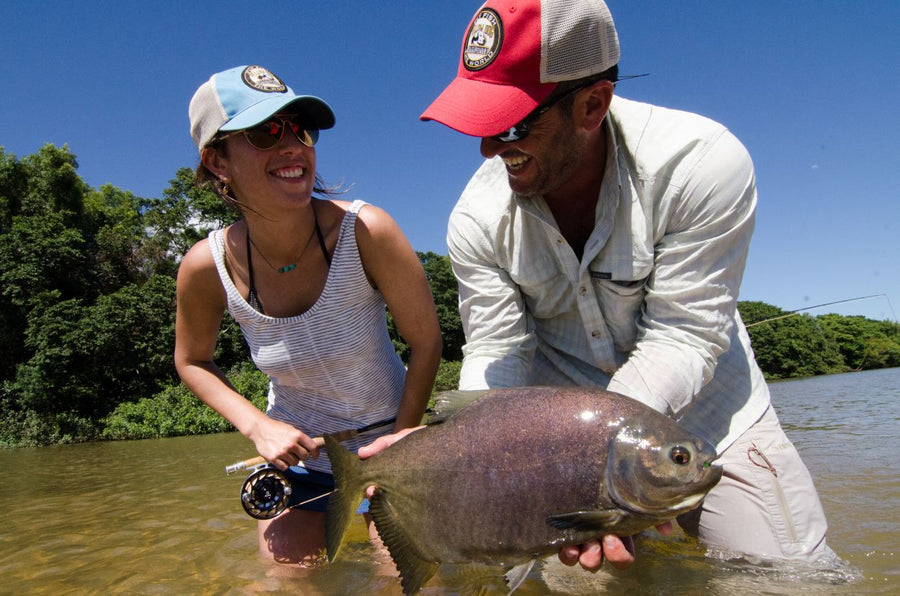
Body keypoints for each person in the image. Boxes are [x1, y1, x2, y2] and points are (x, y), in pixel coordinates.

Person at [364, 0, 839, 573]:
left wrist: (607, 466)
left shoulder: (701, 162)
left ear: (593, 104)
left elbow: (685, 337)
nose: (490, 148)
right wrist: (457, 452)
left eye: (511, 124)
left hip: (711, 418)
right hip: (549, 454)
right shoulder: (474, 219)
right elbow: (498, 352)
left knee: (792, 578)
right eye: (479, 126)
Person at [174, 65, 442, 567]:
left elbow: (426, 343)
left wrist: (400, 442)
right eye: (265, 132)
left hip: (388, 440)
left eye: (301, 128)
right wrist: (259, 428)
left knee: (403, 574)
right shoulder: (202, 268)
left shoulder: (367, 230)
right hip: (300, 460)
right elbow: (192, 361)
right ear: (216, 161)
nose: (293, 145)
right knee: (289, 577)